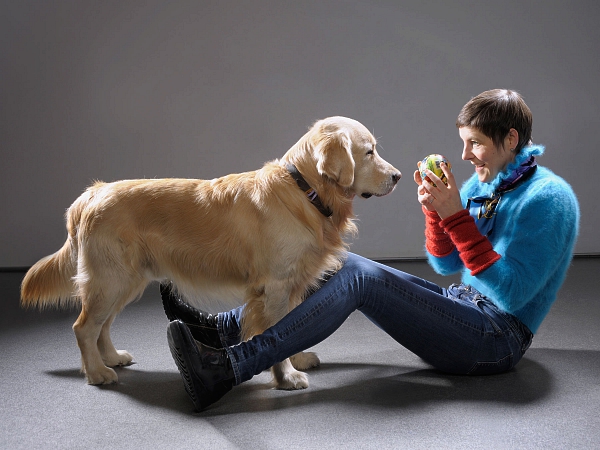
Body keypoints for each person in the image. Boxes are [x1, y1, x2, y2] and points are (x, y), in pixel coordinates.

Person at [162, 89, 580, 411]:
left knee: (361, 278)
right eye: (464, 142)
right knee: (342, 265)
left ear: (510, 139)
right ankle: (220, 330)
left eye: (475, 143)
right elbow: (447, 261)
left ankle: (228, 368)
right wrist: (437, 214)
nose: (465, 154)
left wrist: (454, 217)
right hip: (464, 305)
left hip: (497, 338)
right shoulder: (483, 185)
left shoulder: (549, 199)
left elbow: (512, 291)